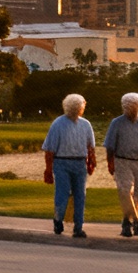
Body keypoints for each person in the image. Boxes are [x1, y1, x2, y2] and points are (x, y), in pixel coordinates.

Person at [104, 91, 138, 237]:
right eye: (128, 107)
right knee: (124, 190)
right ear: (123, 107)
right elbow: (110, 145)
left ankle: (126, 221)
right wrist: (110, 162)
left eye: (133, 107)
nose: (130, 110)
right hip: (122, 160)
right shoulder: (116, 123)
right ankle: (136, 221)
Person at [41, 93, 96, 239]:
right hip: (62, 162)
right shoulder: (58, 124)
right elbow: (50, 149)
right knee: (63, 193)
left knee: (80, 195)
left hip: (79, 163)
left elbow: (90, 147)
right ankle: (58, 220)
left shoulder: (85, 124)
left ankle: (78, 227)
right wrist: (48, 169)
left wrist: (91, 162)